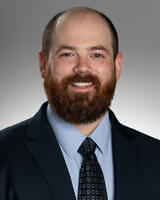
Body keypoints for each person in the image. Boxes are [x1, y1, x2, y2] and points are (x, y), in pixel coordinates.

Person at [0, 6, 160, 200]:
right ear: (43, 64)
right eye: (67, 54)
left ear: (117, 66)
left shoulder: (155, 159)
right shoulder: (4, 155)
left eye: (97, 55)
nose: (82, 68)